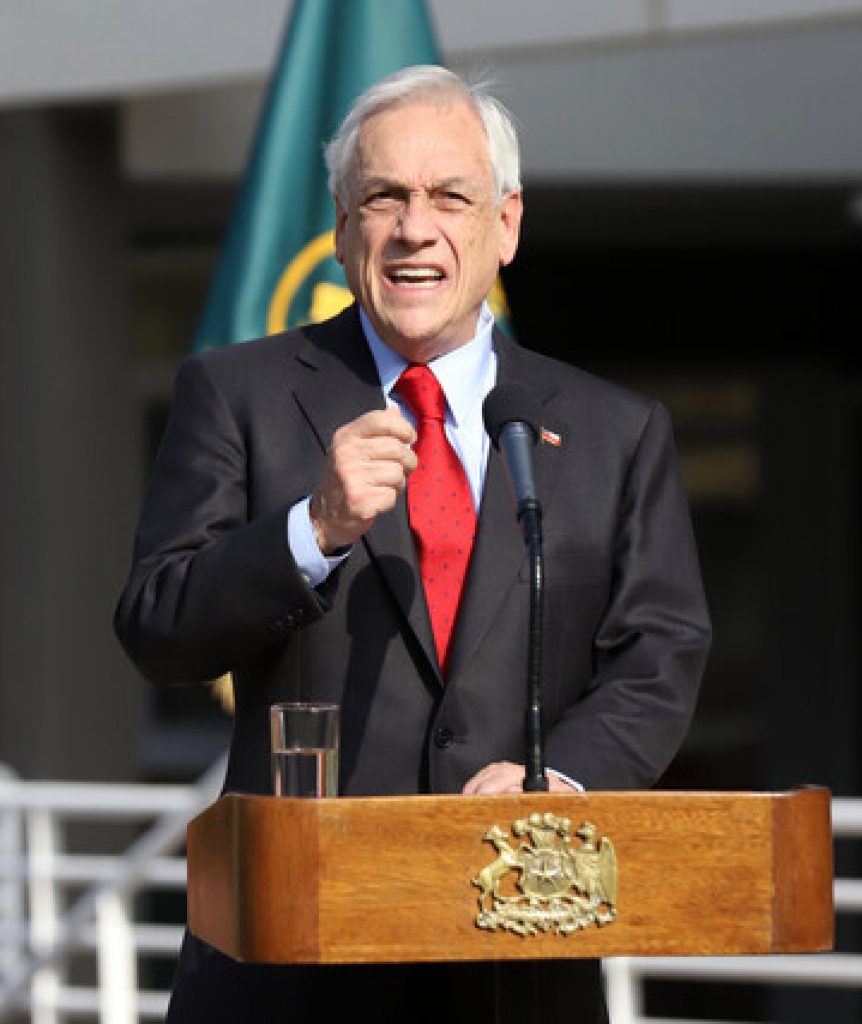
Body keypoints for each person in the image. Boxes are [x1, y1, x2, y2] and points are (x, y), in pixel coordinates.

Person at [115, 65, 710, 1024]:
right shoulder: (240, 395)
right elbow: (158, 627)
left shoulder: (614, 430)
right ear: (345, 228)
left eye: (450, 197)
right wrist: (311, 531)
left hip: (519, 954)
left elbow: (661, 655)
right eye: (383, 197)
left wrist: (554, 780)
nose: (414, 228)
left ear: (505, 225)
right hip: (295, 964)